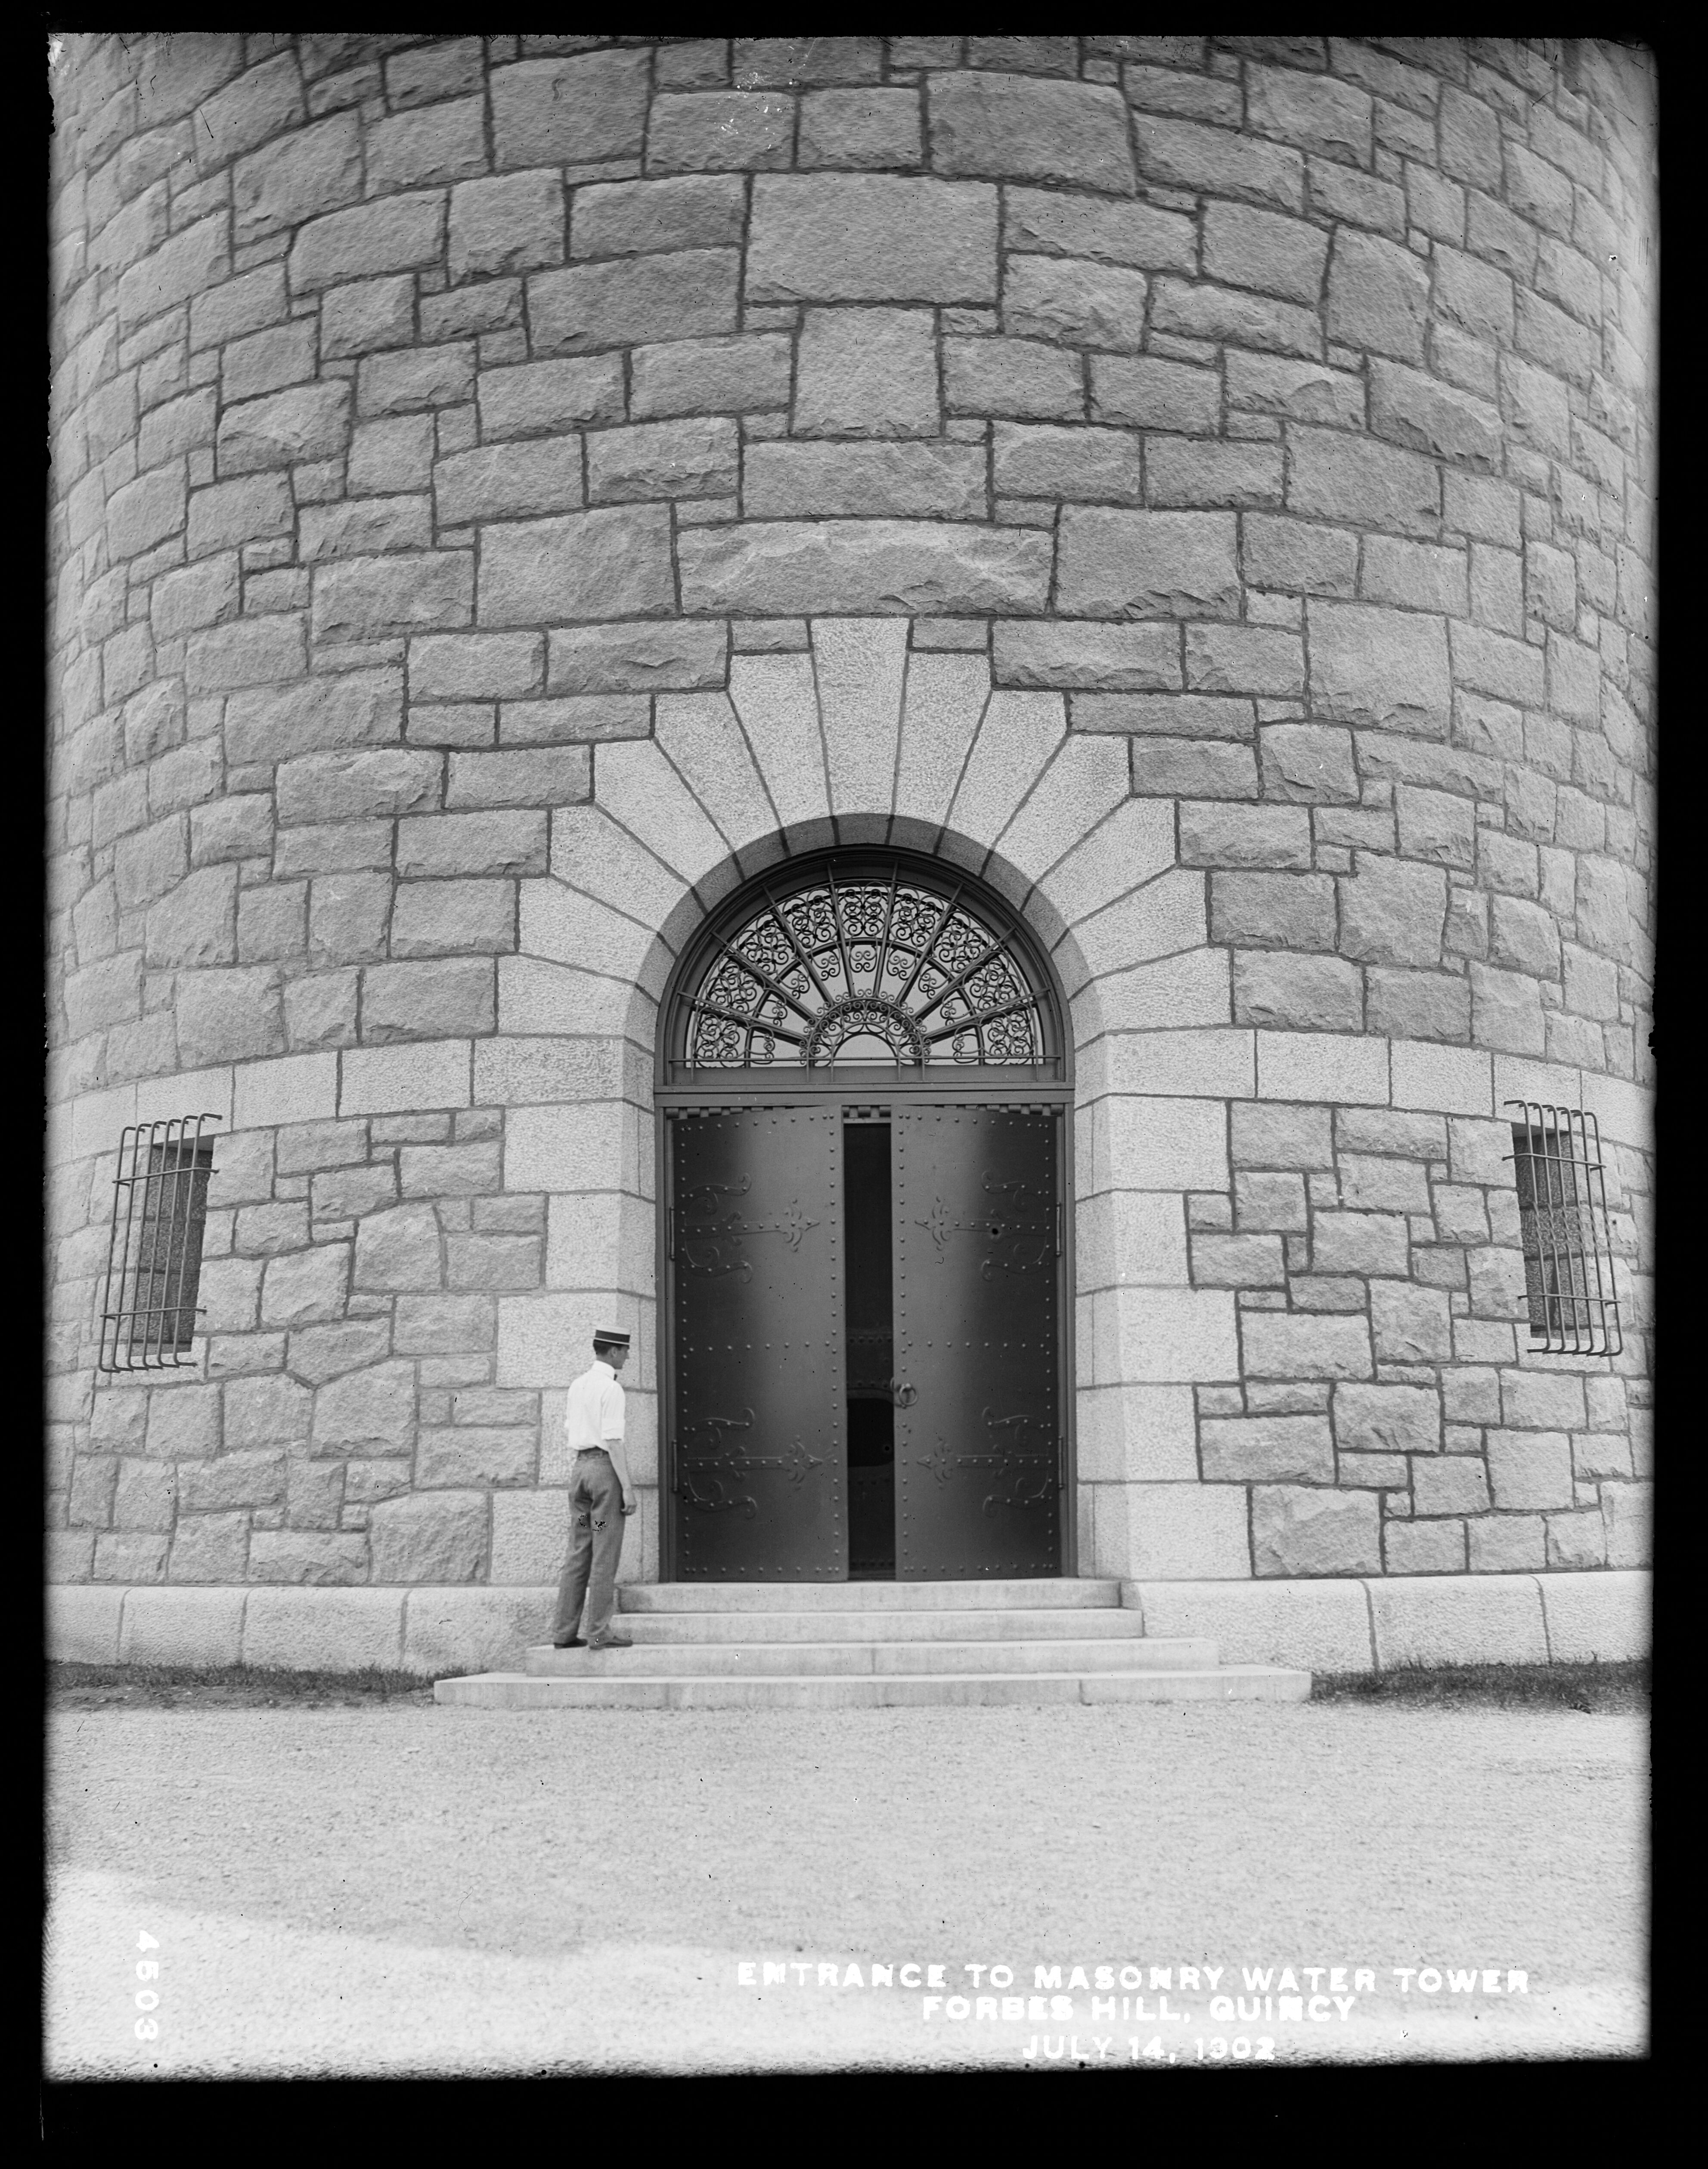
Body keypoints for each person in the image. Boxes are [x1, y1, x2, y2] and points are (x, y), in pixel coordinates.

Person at [550, 1329, 638, 1651]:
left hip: (581, 1476)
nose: (627, 1356)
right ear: (613, 1351)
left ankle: (564, 1632)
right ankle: (599, 1632)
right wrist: (627, 1489)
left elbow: (571, 1429)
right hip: (603, 1475)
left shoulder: (578, 1385)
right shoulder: (611, 1388)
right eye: (625, 1350)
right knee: (604, 1553)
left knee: (580, 1549)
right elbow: (614, 1441)